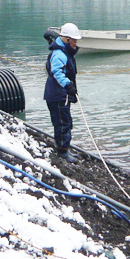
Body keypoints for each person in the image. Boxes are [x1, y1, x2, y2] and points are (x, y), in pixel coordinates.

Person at [43, 22, 81, 163]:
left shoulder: (64, 52)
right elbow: (56, 72)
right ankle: (62, 151)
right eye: (74, 40)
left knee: (66, 121)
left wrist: (71, 92)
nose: (76, 43)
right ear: (66, 39)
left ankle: (65, 147)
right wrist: (68, 85)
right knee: (62, 123)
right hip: (57, 95)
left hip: (62, 95)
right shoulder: (59, 54)